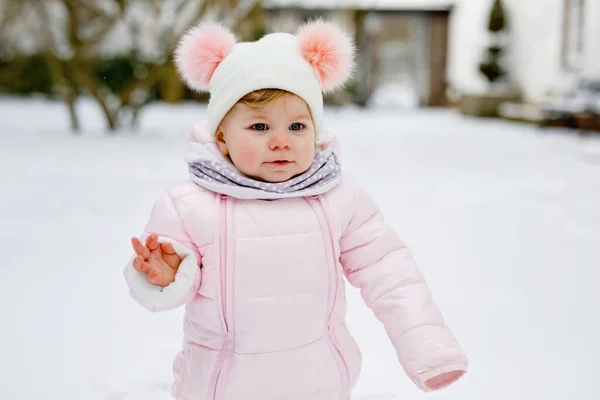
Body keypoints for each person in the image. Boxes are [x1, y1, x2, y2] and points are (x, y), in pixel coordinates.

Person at [124, 19, 467, 400]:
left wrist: (428, 347)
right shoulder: (188, 205)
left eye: (298, 127)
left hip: (317, 385)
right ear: (221, 135)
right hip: (219, 388)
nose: (281, 142)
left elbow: (391, 273)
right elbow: (165, 287)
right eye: (259, 126)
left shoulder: (339, 199)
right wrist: (166, 276)